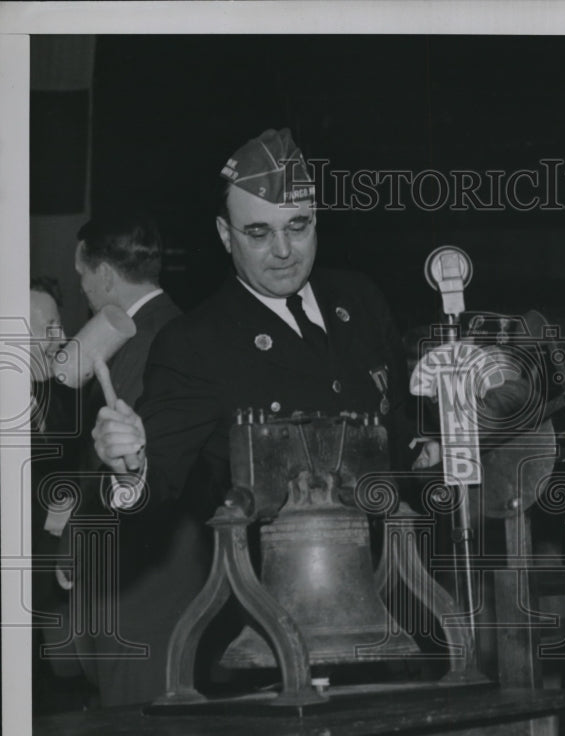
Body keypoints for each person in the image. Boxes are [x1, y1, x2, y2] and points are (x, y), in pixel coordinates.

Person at [93, 129, 437, 526]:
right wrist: (129, 470)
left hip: (389, 568)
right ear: (225, 234)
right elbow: (158, 481)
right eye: (259, 233)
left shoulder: (359, 299)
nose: (283, 250)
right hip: (269, 577)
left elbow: (394, 420)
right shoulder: (194, 344)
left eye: (297, 226)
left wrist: (431, 450)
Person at [69, 210, 210, 707]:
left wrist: (75, 540)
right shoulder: (167, 327)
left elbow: (122, 462)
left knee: (140, 732)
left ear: (105, 273)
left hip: (145, 580)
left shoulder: (156, 341)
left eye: (83, 274)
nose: (82, 288)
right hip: (152, 574)